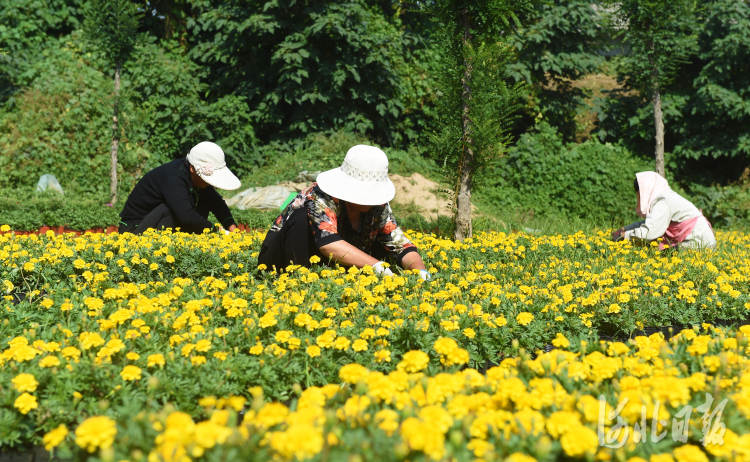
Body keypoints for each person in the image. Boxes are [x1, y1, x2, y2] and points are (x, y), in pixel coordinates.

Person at [258, 145, 431, 280]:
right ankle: (297, 282)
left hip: (325, 262)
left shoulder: (379, 206)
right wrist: (377, 266)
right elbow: (328, 243)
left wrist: (420, 271)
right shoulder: (320, 196)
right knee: (301, 218)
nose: (371, 198)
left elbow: (401, 244)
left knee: (383, 239)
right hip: (278, 260)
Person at [119, 141, 241, 235]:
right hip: (133, 230)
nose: (210, 183)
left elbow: (216, 203)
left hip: (155, 223)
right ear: (193, 169)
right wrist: (216, 232)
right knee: (172, 208)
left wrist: (232, 228)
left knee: (205, 197)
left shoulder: (194, 178)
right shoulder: (174, 178)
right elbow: (186, 216)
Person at [612, 171, 716, 249]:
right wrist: (625, 229)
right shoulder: (665, 198)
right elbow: (649, 223)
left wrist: (624, 235)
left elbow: (650, 232)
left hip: (698, 244)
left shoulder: (663, 202)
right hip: (700, 241)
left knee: (658, 256)